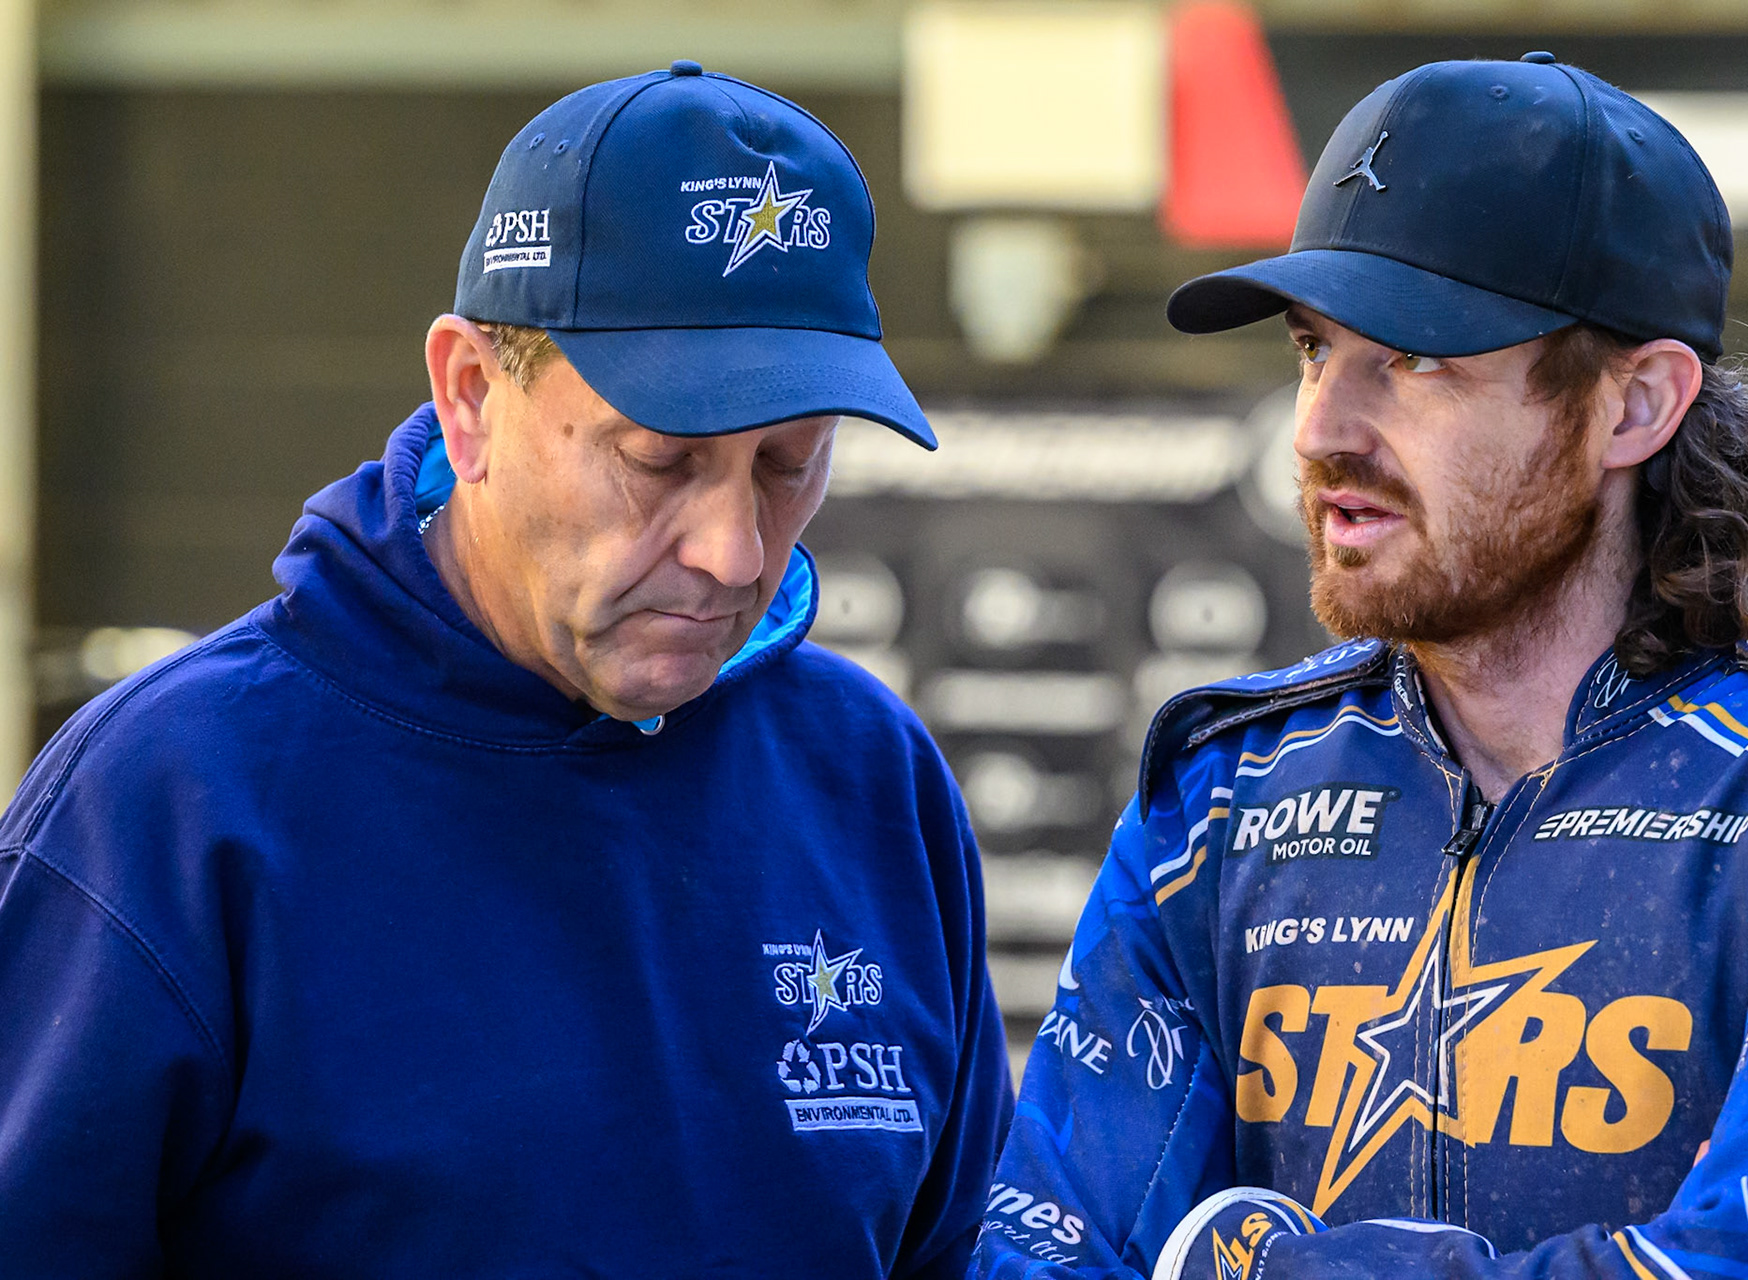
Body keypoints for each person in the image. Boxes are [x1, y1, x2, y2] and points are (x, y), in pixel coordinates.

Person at [0, 64, 1010, 1277]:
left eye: (789, 464)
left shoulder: (870, 782)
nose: (734, 549)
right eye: (662, 460)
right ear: (472, 395)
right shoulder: (167, 807)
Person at [974, 53, 1748, 1280]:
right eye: (1316, 349)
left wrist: (1261, 1264)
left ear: (1635, 407)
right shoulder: (1228, 791)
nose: (1319, 428)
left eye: (1415, 360)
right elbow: (1045, 1244)